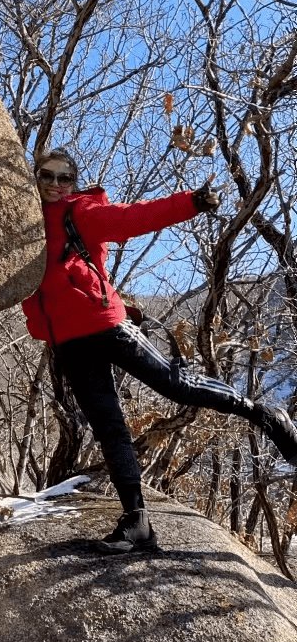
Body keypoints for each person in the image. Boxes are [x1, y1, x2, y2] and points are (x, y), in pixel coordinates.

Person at [22, 147, 297, 552]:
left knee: (176, 385)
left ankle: (264, 413)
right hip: (67, 341)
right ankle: (137, 523)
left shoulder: (78, 214)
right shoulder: (23, 223)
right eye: (48, 176)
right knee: (109, 427)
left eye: (66, 179)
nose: (57, 186)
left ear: (74, 183)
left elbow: (134, 218)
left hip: (107, 326)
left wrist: (191, 202)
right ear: (35, 178)